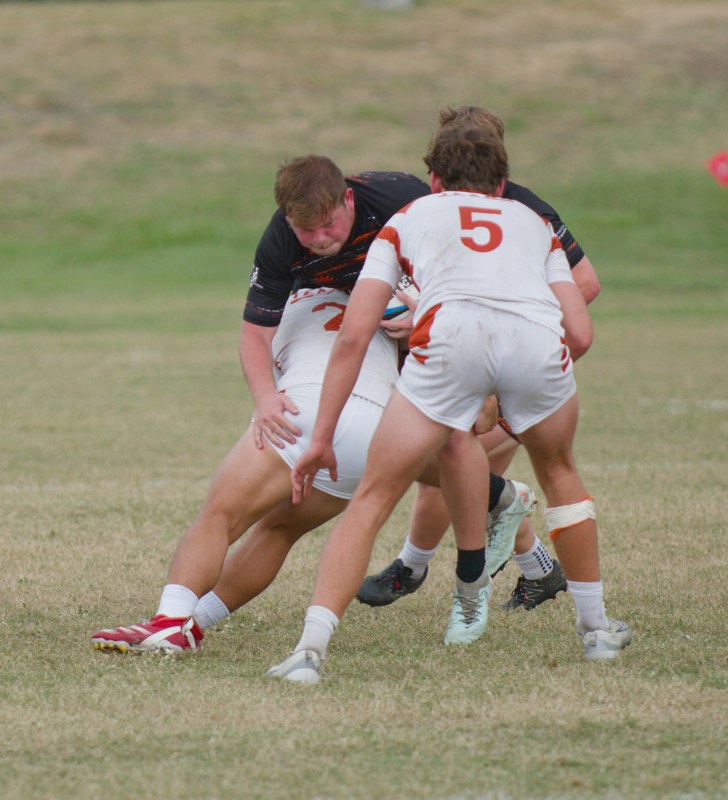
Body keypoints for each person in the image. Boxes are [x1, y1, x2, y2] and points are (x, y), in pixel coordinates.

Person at [268, 121, 630, 683]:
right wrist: (516, 399)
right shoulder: (536, 224)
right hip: (536, 342)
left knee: (373, 496)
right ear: (502, 179)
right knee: (561, 474)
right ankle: (598, 631)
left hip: (450, 341)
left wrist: (321, 440)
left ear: (432, 178)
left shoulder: (407, 218)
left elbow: (355, 337)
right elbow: (579, 333)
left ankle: (309, 651)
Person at [357, 104, 602, 611]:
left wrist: (518, 339)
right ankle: (540, 573)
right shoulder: (431, 202)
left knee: (454, 461)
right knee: (462, 467)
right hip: (464, 348)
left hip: (511, 366)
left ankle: (414, 567)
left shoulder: (527, 210)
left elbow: (586, 284)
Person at [90, 287, 399, 652]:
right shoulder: (387, 295)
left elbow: (254, 339)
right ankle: (194, 625)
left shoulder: (284, 288)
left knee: (220, 517)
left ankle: (170, 622)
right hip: (374, 429)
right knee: (280, 530)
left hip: (308, 409)